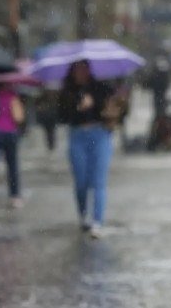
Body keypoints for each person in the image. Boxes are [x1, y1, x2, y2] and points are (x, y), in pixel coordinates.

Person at [58, 60, 116, 239]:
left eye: (84, 68)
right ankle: (84, 215)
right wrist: (78, 107)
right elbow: (62, 116)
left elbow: (114, 108)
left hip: (99, 135)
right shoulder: (67, 92)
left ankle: (97, 220)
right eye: (78, 69)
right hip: (77, 136)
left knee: (98, 180)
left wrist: (96, 104)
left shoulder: (101, 88)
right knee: (81, 180)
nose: (81, 72)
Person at [0, 85, 25, 208]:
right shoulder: (12, 95)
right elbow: (19, 117)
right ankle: (15, 196)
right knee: (12, 166)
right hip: (10, 133)